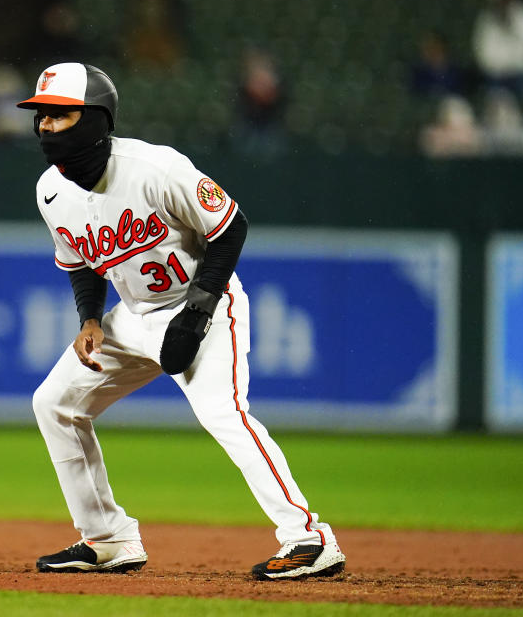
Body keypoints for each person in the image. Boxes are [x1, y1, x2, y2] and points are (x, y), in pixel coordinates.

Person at [17, 62, 346, 581]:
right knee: (54, 404)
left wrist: (197, 313)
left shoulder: (155, 168)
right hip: (133, 317)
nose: (45, 127)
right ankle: (108, 539)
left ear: (96, 118)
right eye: (41, 117)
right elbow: (80, 262)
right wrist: (89, 319)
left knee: (223, 413)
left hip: (203, 303)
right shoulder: (50, 192)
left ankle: (309, 539)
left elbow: (229, 226)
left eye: (59, 115)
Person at [472, 0, 523, 98]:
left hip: (519, 76)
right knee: (488, 91)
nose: (503, 1)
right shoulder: (486, 18)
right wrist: (496, 69)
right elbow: (481, 50)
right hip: (493, 77)